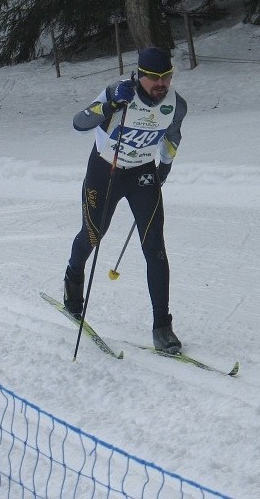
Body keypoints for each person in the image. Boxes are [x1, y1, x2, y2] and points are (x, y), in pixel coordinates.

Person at [63, 47, 187, 354]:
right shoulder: (117, 93)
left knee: (155, 248)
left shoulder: (175, 104)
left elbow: (172, 136)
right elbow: (79, 123)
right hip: (106, 170)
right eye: (154, 77)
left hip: (143, 173)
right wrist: (110, 106)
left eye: (166, 76)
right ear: (140, 75)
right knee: (93, 235)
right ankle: (73, 278)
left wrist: (165, 167)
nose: (161, 84)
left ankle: (162, 327)